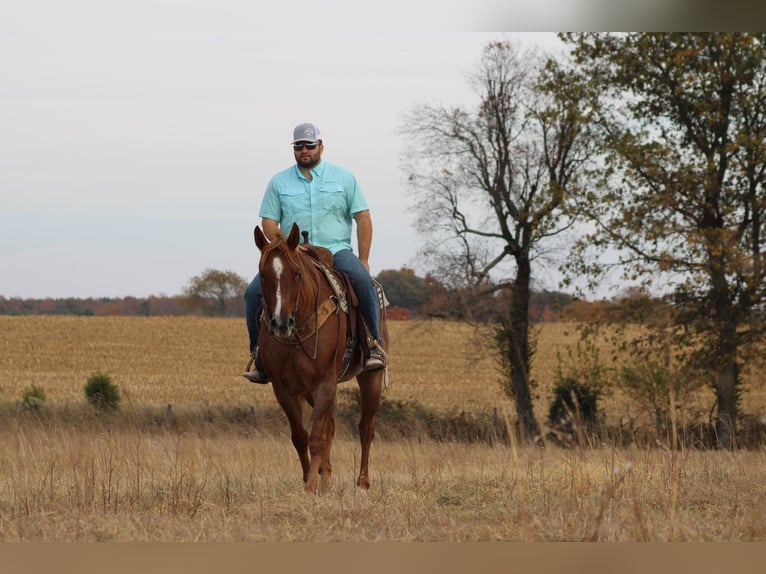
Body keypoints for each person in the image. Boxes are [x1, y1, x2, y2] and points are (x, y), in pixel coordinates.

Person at [243, 122, 385, 384]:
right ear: (294, 149)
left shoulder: (344, 178)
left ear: (321, 146)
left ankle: (373, 345)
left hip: (336, 250)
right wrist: (286, 244)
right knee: (252, 293)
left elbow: (362, 217)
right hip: (294, 254)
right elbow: (269, 222)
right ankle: (259, 354)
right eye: (299, 146)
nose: (304, 150)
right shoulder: (279, 181)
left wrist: (363, 259)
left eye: (310, 145)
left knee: (363, 282)